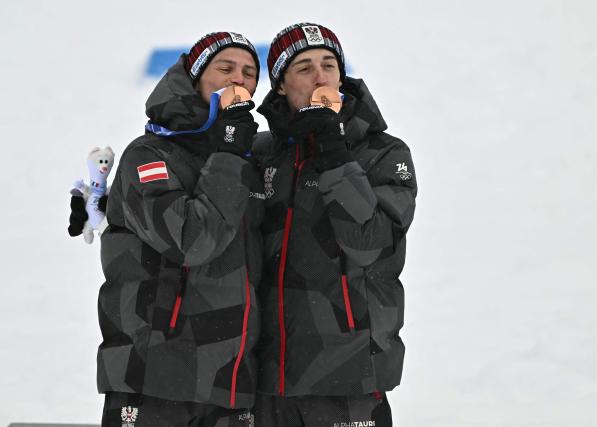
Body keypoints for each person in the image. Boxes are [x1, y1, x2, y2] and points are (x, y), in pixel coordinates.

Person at [90, 32, 264, 426]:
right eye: (225, 68)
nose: (238, 79)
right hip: (154, 379)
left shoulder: (248, 160)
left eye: (249, 73)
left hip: (233, 383)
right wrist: (229, 153)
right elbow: (193, 241)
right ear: (195, 77)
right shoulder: (149, 155)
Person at [251, 23, 417, 426]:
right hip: (264, 381)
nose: (321, 76)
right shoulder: (258, 155)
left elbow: (370, 243)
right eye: (304, 68)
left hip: (348, 380)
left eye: (329, 64)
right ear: (280, 86)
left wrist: (334, 153)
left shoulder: (382, 152)